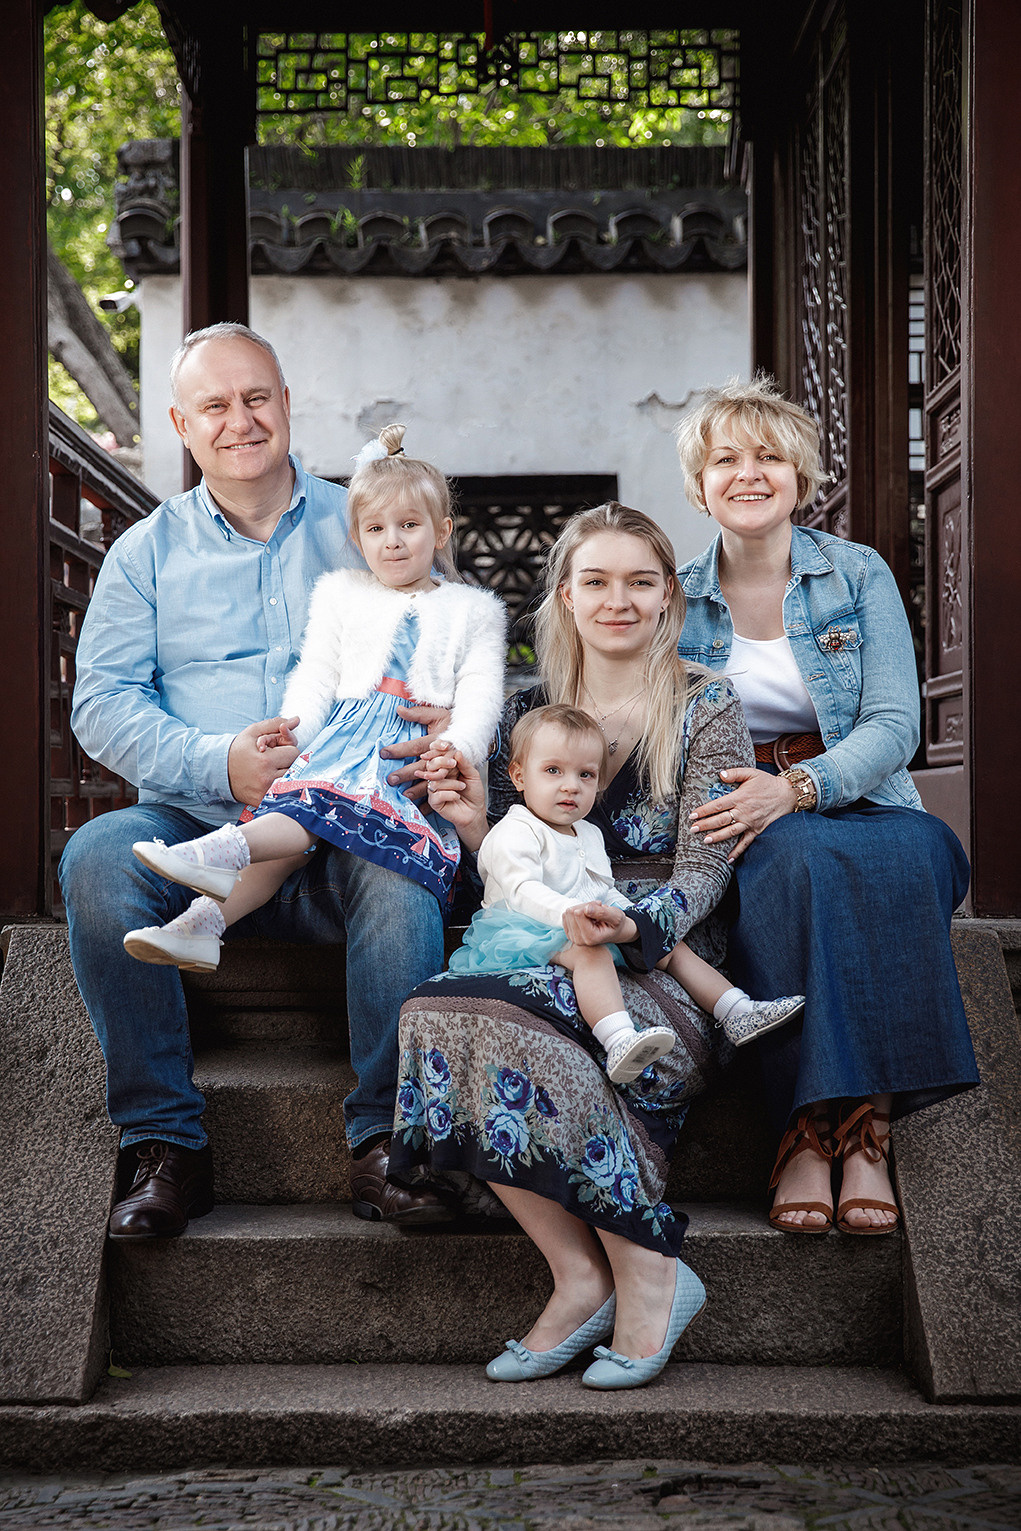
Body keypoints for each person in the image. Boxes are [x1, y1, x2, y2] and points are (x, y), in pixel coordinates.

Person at [61, 324, 460, 1237]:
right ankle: (163, 1141)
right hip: (198, 827)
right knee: (97, 857)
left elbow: (439, 645)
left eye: (255, 398)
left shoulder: (368, 518)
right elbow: (103, 703)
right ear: (181, 425)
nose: (238, 420)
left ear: (285, 404)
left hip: (347, 824)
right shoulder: (145, 553)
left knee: (402, 866)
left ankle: (388, 1140)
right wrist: (219, 759)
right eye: (214, 405)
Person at [389, 501, 753, 1390]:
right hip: (543, 941)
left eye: (639, 581)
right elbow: (508, 877)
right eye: (596, 580)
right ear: (565, 593)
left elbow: (707, 867)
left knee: (528, 1025)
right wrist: (472, 826)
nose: (616, 600)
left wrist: (635, 924)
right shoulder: (526, 710)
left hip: (662, 963)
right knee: (434, 1010)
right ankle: (578, 1273)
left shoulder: (705, 703)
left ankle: (648, 1268)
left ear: (667, 596)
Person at [674, 375, 979, 1235]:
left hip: (861, 793)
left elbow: (892, 722)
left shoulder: (854, 572)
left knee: (914, 853)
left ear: (800, 477)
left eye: (768, 456)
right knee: (801, 866)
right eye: (725, 459)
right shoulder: (677, 593)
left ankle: (865, 1129)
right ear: (698, 484)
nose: (747, 473)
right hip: (743, 807)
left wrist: (800, 787)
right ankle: (809, 1129)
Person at [123, 424, 506, 975]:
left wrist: (457, 746)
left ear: (441, 530)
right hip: (343, 738)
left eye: (409, 525)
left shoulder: (473, 610)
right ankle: (199, 928)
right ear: (357, 537)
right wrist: (295, 731)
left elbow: (481, 693)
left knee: (309, 812)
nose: (393, 541)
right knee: (292, 829)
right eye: (376, 528)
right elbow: (318, 673)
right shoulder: (343, 594)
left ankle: (220, 851)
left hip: (408, 755)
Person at [450, 702, 805, 1082]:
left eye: (585, 774)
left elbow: (603, 889)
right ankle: (619, 1038)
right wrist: (571, 914)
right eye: (553, 771)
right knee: (592, 955)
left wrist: (630, 917)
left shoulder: (587, 833)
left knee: (667, 946)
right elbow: (521, 890)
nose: (570, 786)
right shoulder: (516, 830)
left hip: (580, 920)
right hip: (520, 928)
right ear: (519, 776)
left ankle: (736, 1010)